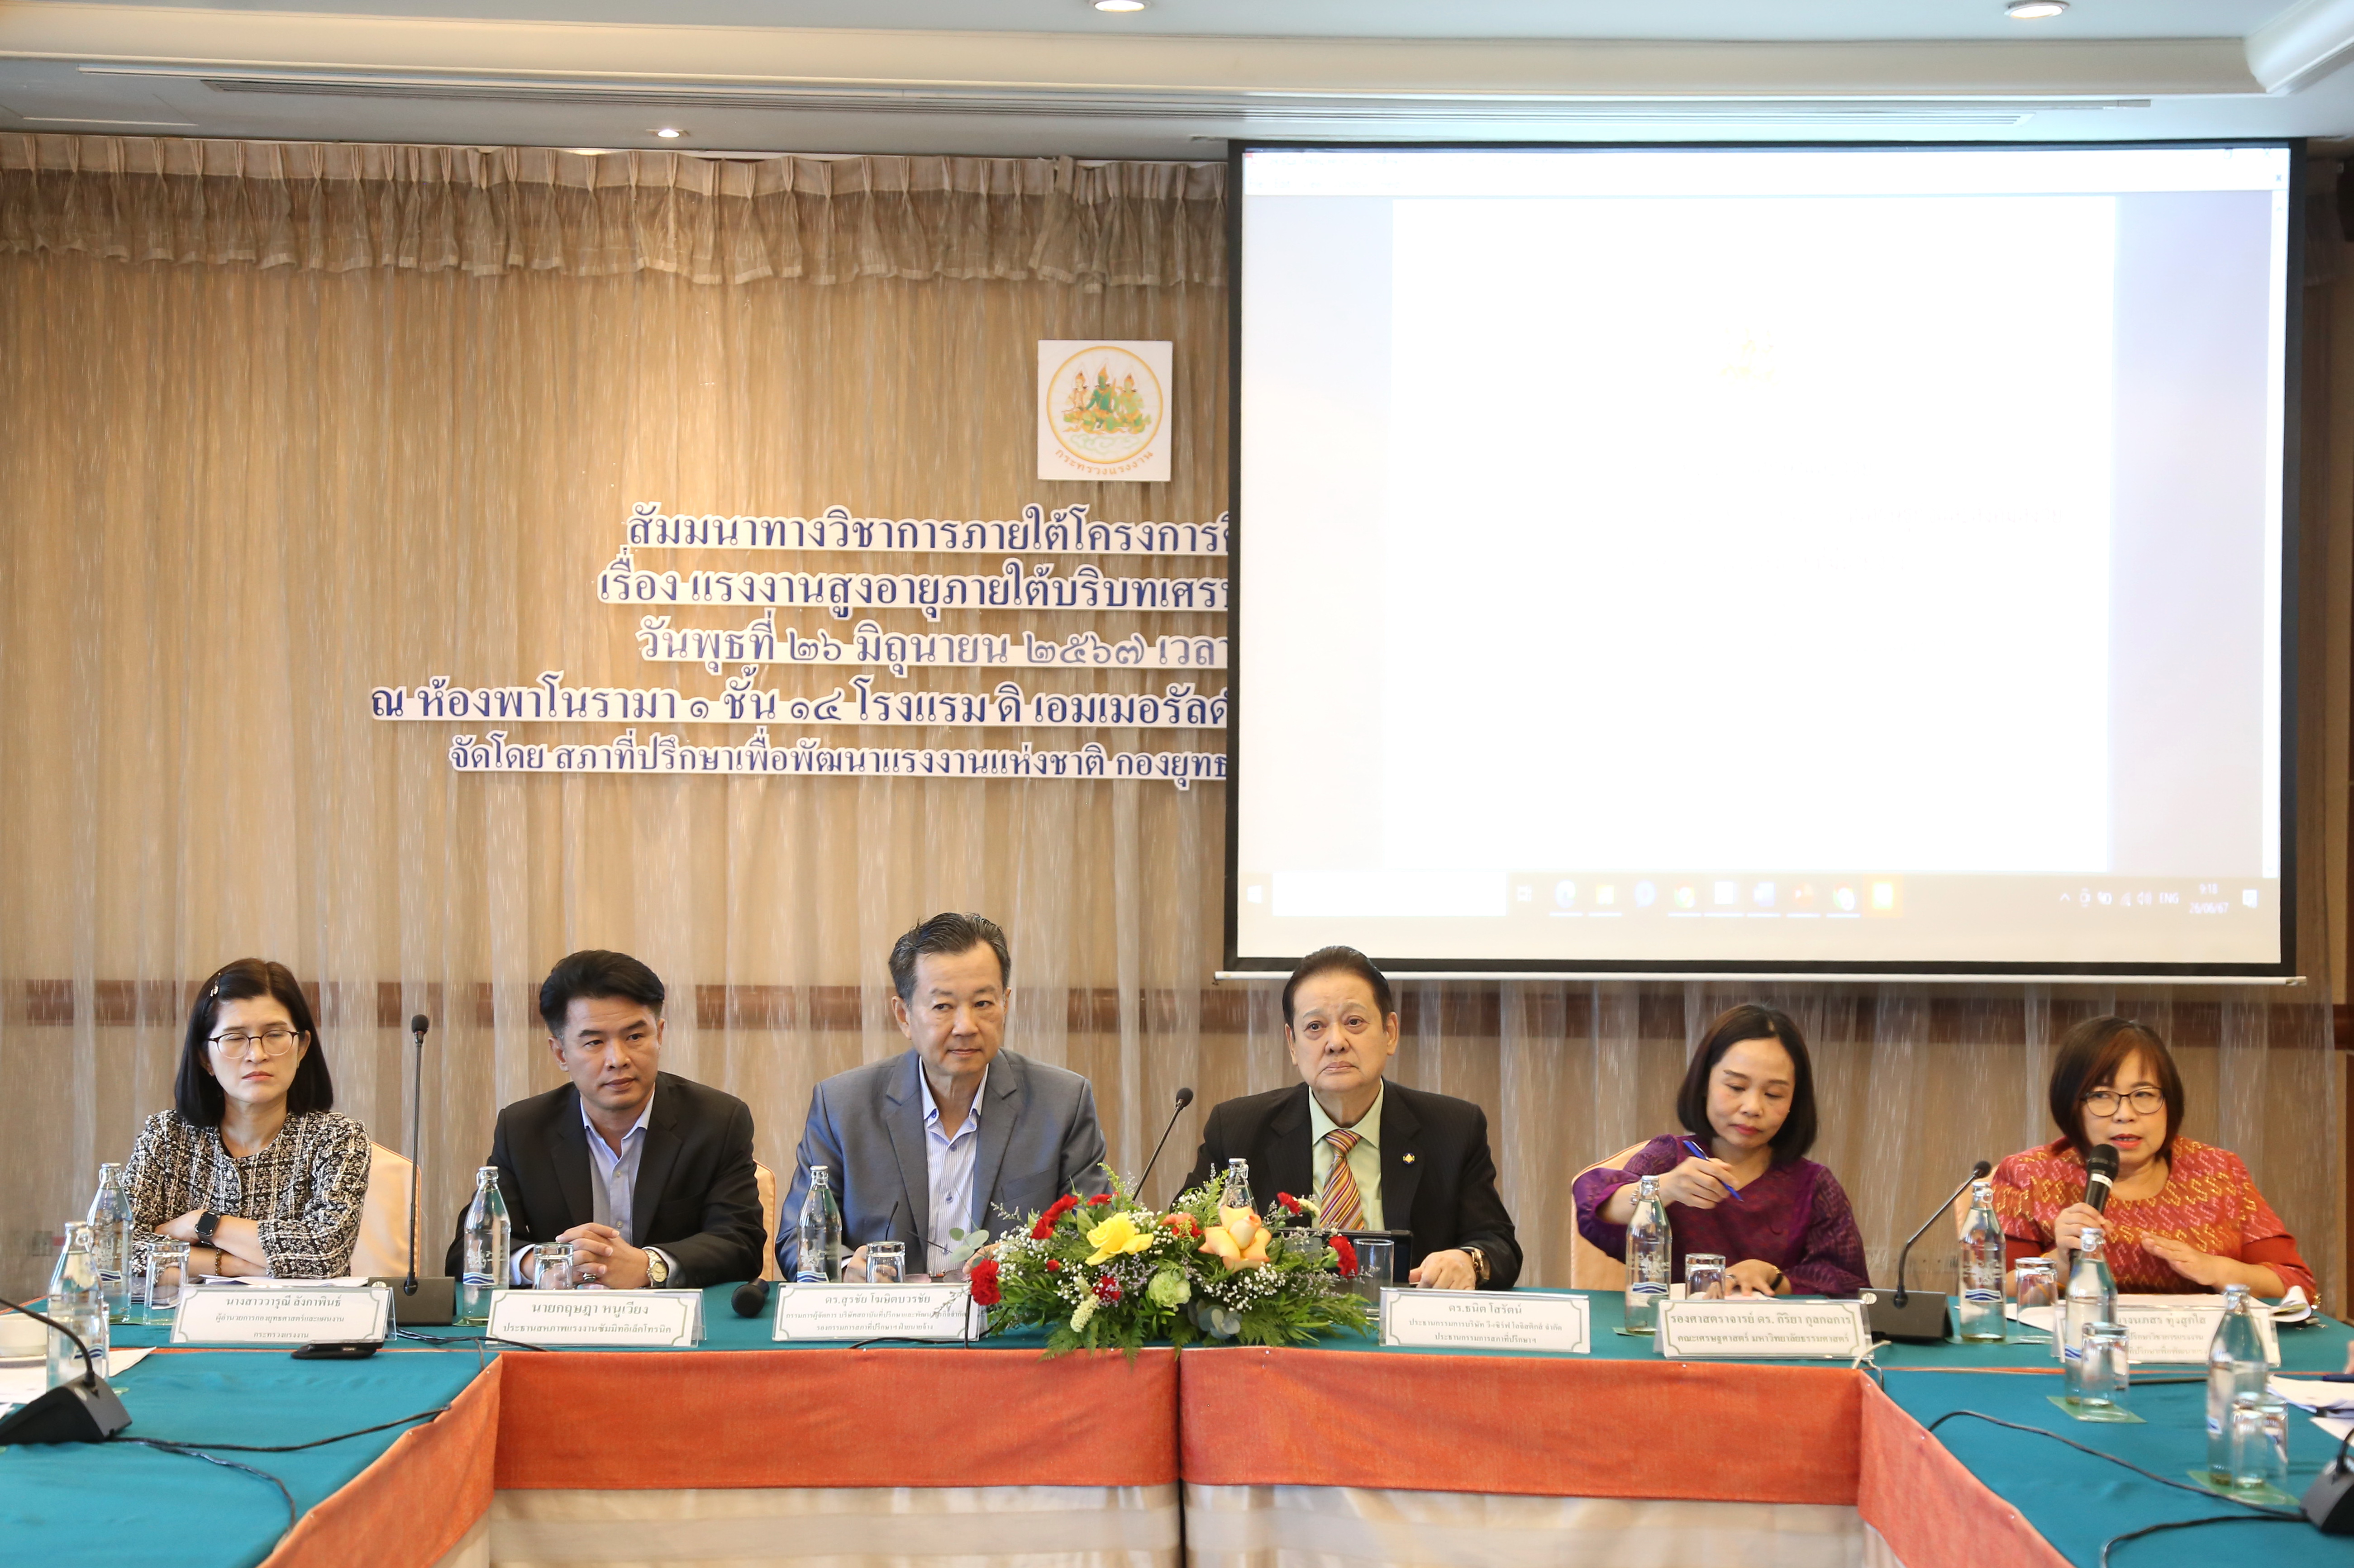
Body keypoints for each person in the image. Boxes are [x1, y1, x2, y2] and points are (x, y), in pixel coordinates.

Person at [779, 912, 1111, 1280]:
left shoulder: (1063, 1104)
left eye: (983, 1004)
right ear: (904, 1016)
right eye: (943, 1007)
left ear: (1006, 1004)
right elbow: (797, 1239)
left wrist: (1029, 1259)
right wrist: (844, 1270)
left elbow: (1096, 1237)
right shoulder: (842, 1106)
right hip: (885, 1315)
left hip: (1006, 1314)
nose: (966, 1026)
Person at [1185, 946, 1520, 1291]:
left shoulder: (1453, 1129)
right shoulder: (1238, 1129)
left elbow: (1498, 1245)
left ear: (1390, 1032)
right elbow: (1184, 1237)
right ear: (1292, 1044)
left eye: (1354, 1023)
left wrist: (1469, 1261)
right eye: (1315, 1026)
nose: (1336, 1042)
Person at [446, 950, 765, 1289]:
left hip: (674, 1317)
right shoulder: (524, 1128)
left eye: (635, 1037)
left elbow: (741, 1243)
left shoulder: (717, 1121)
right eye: (595, 1042)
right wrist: (544, 1264)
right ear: (561, 1053)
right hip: (563, 1318)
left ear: (659, 1035)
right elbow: (468, 1251)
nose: (618, 1059)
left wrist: (649, 1266)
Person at [1992, 1015, 2315, 1300]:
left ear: (2169, 1102)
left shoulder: (2219, 1171)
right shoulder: (2029, 1175)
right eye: (2102, 1095)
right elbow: (1990, 1293)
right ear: (2071, 1106)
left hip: (2198, 1344)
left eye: (2144, 1094)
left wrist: (2215, 1269)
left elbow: (2295, 1284)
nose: (2125, 1114)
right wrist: (2061, 1264)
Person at [1573, 1003, 1866, 1297]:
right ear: (1705, 1083)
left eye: (1774, 1094)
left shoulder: (1814, 1186)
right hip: (1676, 1322)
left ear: (1794, 1102)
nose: (1752, 1108)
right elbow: (1595, 1203)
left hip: (1770, 1326)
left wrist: (1772, 1277)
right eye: (1736, 1087)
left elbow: (1848, 1283)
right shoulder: (1670, 1158)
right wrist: (1665, 1188)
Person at [122, 958, 373, 1280]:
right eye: (235, 1038)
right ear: (205, 1058)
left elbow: (325, 1256)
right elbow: (116, 1251)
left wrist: (203, 1224)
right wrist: (235, 1266)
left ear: (302, 1047)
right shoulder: (167, 1136)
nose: (257, 1054)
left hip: (296, 1315)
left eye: (275, 1034)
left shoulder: (338, 1138)